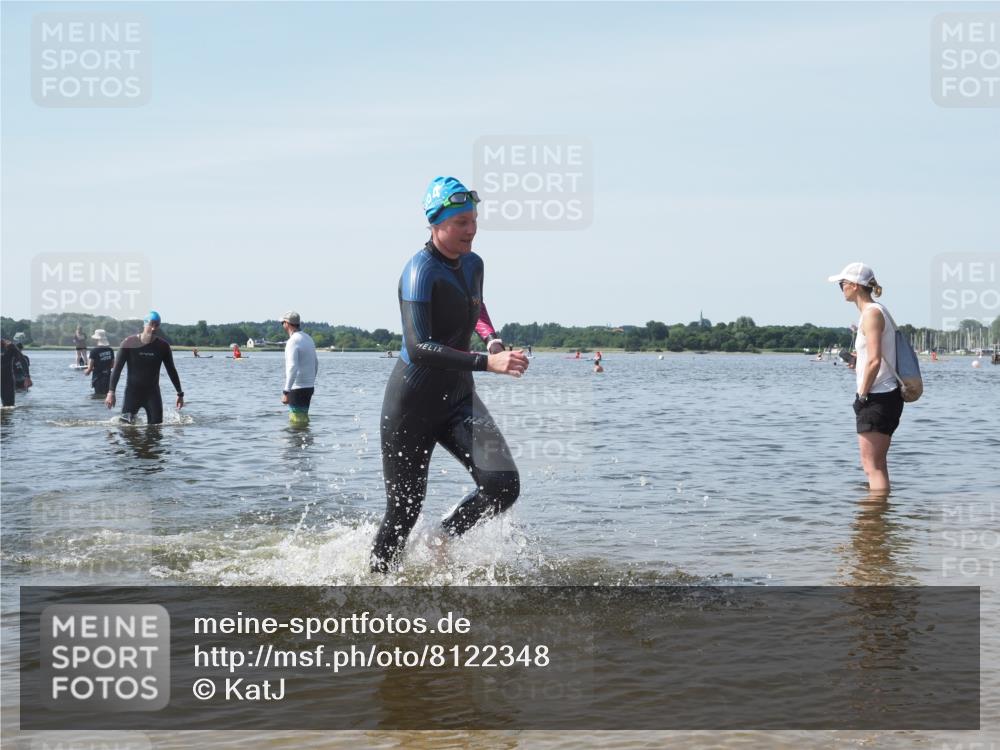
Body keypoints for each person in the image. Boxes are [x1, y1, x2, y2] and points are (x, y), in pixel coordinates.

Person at [371, 176, 528, 573]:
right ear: (435, 223)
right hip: (411, 407)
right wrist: (484, 363)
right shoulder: (418, 272)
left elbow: (475, 304)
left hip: (457, 399)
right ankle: (373, 585)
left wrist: (491, 340)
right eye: (460, 222)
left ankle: (443, 536)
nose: (471, 229)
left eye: (473, 219)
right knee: (403, 512)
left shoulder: (474, 264)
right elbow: (420, 347)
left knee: (503, 486)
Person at [829, 263, 902, 494]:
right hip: (885, 395)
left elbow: (875, 361)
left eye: (842, 284)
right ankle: (880, 522)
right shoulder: (875, 312)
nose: (841, 289)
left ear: (854, 286)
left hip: (877, 397)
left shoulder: (871, 314)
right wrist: (856, 363)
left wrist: (861, 395)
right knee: (877, 465)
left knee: (872, 466)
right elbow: (871, 359)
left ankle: (874, 524)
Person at [105, 311, 184, 424]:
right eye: (151, 324)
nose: (153, 328)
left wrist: (180, 393)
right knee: (126, 430)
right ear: (144, 324)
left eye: (156, 325)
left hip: (152, 394)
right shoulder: (128, 343)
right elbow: (117, 369)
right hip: (132, 393)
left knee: (156, 430)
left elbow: (171, 370)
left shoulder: (163, 346)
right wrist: (111, 392)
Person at [280, 311, 318, 427]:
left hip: (297, 388)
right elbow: (316, 363)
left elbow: (292, 367)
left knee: (296, 423)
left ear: (287, 323)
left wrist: (286, 391)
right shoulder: (308, 338)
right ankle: (306, 443)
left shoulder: (293, 341)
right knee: (303, 420)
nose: (282, 325)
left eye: (282, 322)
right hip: (308, 387)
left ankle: (297, 444)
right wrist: (311, 382)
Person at [1, 336, 31, 406]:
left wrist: (27, 377)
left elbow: (22, 360)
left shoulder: (10, 346)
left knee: (8, 406)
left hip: (7, 380)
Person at [84, 329, 115, 396]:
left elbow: (89, 369)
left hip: (98, 379)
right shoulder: (110, 350)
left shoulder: (94, 351)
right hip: (108, 378)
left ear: (97, 339)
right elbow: (112, 365)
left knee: (98, 396)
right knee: (106, 396)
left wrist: (85, 372)